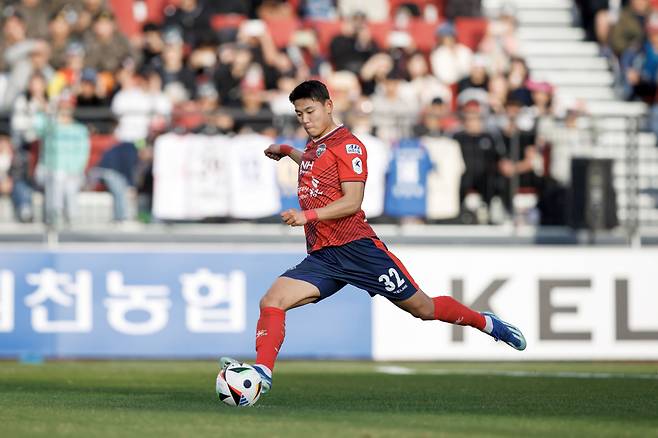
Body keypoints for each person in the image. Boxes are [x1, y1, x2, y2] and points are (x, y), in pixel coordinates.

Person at [220, 80, 526, 395]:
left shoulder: (349, 146)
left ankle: (486, 323)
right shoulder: (315, 147)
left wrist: (306, 216)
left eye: (310, 111)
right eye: (299, 114)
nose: (305, 119)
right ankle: (261, 374)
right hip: (325, 256)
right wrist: (288, 151)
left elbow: (352, 202)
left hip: (359, 250)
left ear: (328, 106)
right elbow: (315, 166)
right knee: (272, 301)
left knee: (423, 308)